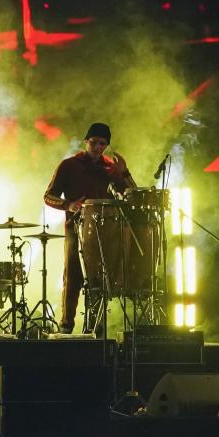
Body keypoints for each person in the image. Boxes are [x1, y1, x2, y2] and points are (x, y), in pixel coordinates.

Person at [44, 122, 137, 334]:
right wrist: (69, 205)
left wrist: (124, 172)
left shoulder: (109, 168)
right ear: (86, 141)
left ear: (106, 145)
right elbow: (48, 196)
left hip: (104, 232)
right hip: (75, 229)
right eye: (94, 142)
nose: (97, 147)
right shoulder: (68, 165)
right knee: (73, 276)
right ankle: (66, 326)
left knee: (101, 279)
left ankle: (96, 327)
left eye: (102, 144)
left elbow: (133, 196)